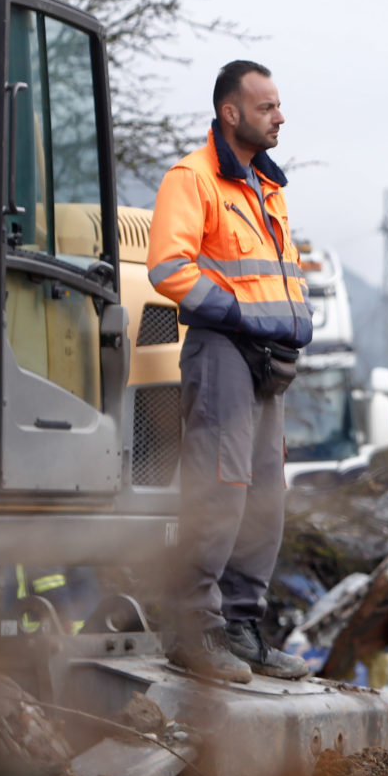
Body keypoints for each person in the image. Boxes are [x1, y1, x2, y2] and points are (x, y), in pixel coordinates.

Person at [146, 61, 314, 682]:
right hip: (221, 349)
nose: (280, 116)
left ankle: (241, 628)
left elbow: (280, 278)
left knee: (266, 495)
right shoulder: (193, 179)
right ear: (231, 113)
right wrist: (242, 315)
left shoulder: (268, 190)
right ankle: (193, 632)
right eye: (267, 107)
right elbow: (169, 268)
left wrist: (293, 326)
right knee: (219, 487)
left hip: (268, 361)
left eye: (279, 105)